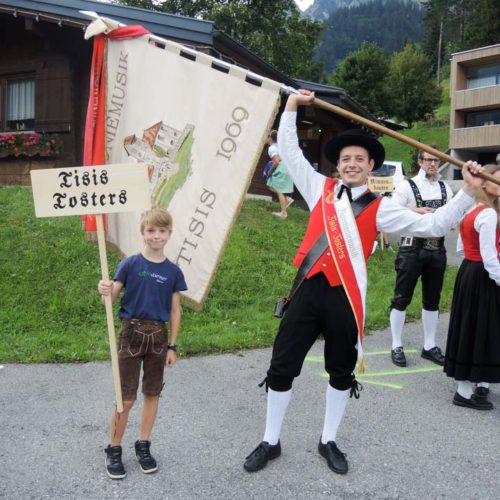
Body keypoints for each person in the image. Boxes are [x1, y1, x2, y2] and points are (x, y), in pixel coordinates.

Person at [243, 89, 484, 475]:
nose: (351, 164)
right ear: (337, 165)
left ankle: (329, 440)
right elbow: (288, 149)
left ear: (371, 165)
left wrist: (468, 192)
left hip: (344, 299)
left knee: (341, 371)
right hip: (307, 291)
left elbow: (433, 224)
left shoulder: (382, 207)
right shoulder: (317, 187)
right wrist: (290, 107)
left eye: (359, 159)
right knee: (282, 366)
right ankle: (270, 441)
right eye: (345, 159)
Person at [98, 206, 187, 479]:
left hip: (158, 338)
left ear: (169, 234)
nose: (156, 236)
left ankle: (144, 445)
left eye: (162, 231)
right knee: (125, 397)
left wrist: (172, 345)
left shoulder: (173, 272)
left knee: (152, 393)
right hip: (130, 334)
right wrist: (104, 290)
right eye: (151, 231)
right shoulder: (130, 264)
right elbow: (110, 300)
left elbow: (174, 310)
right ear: (142, 232)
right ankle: (114, 448)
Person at [388, 146, 454, 368]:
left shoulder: (446, 188)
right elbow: (392, 212)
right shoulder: (407, 186)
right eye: (428, 160)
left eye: (436, 160)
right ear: (420, 161)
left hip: (437, 249)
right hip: (411, 248)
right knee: (401, 297)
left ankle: (429, 345)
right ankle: (396, 344)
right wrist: (414, 212)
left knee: (432, 299)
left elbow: (454, 216)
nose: (432, 164)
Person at [444, 164, 500, 410]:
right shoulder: (488, 213)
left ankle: (480, 384)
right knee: (483, 328)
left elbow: (460, 248)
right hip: (483, 275)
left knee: (475, 326)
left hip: (469, 271)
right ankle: (465, 391)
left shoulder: (473, 209)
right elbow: (489, 257)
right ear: (484, 183)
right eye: (495, 179)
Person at [266, 130, 294, 218]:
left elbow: (276, 162)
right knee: (271, 185)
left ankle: (283, 213)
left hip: (281, 167)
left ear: (270, 138)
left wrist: (270, 172)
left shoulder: (271, 148)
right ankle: (287, 199)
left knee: (278, 190)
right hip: (287, 167)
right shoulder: (279, 146)